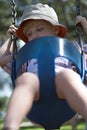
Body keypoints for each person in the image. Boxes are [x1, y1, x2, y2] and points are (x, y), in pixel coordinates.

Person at [1, 3, 87, 130]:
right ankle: (10, 126)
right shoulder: (27, 58)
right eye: (29, 34)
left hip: (66, 100)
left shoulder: (73, 48)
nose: (34, 35)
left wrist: (85, 26)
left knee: (67, 75)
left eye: (39, 29)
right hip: (37, 102)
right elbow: (2, 59)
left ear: (55, 29)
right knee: (26, 78)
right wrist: (11, 39)